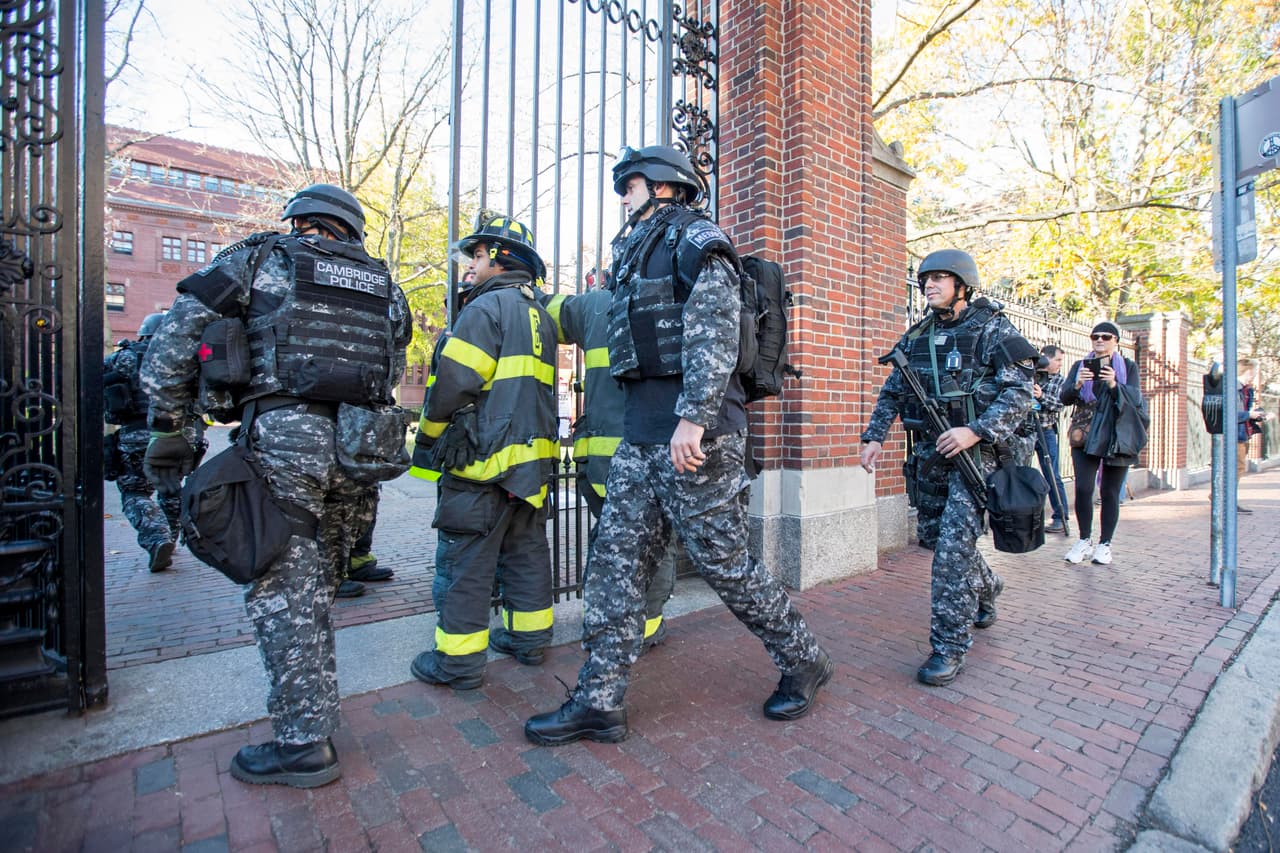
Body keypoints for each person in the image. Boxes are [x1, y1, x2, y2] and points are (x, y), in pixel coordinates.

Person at [524, 145, 831, 747]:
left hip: (699, 436)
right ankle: (599, 700)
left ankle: (804, 659)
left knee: (725, 564)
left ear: (663, 186)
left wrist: (692, 418)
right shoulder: (634, 253)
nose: (622, 196)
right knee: (614, 565)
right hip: (641, 437)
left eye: (630, 184)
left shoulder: (697, 240)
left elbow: (716, 331)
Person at [141, 183, 411, 788]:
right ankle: (311, 715)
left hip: (289, 438)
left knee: (287, 590)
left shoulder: (260, 258)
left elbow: (176, 340)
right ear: (352, 230)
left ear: (299, 222)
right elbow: (392, 364)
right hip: (361, 448)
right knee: (318, 587)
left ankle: (302, 744)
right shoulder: (385, 283)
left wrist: (169, 425)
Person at [859, 249, 1037, 687]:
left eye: (940, 278)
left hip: (978, 458)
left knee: (951, 556)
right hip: (931, 457)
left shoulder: (993, 329)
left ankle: (949, 648)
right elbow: (893, 391)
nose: (929, 285)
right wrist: (874, 437)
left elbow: (1020, 394)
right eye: (925, 280)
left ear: (962, 285)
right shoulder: (917, 335)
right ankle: (988, 587)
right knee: (940, 542)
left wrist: (975, 431)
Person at [407, 215, 558, 691]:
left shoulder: (485, 310)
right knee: (525, 552)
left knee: (466, 563)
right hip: (531, 467)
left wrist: (427, 440)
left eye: (476, 255)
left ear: (499, 256)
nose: (470, 266)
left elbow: (452, 386)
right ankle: (529, 641)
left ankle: (457, 663)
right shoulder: (541, 317)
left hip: (481, 464)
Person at [544, 275, 676, 650]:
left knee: (609, 545)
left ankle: (603, 621)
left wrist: (515, 284)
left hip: (602, 465)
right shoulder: (674, 297)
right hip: (657, 459)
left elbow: (545, 309)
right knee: (654, 546)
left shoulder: (593, 304)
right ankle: (646, 627)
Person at [102, 313, 205, 572]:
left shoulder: (123, 358)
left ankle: (157, 537)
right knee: (171, 487)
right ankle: (169, 536)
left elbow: (95, 382)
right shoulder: (185, 357)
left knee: (135, 491)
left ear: (143, 332)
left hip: (137, 433)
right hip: (183, 434)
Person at [1058, 321, 1142, 566]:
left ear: (1115, 341)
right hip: (1085, 432)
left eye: (1106, 337)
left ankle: (1105, 544)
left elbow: (1134, 399)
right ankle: (1084, 539)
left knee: (1110, 492)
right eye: (1095, 336)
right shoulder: (1080, 366)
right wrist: (1078, 384)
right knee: (1083, 488)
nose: (1100, 341)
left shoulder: (1128, 366)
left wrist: (1115, 384)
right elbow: (1064, 398)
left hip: (1116, 433)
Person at [1034, 345, 1069, 532]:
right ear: (1046, 359)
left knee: (1052, 474)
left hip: (1046, 430)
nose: (1060, 364)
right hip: (1026, 430)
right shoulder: (1029, 373)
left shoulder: (1060, 381)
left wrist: (1041, 396)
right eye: (1058, 360)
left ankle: (1060, 517)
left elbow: (1059, 404)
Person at [1235, 359, 1273, 513]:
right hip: (1234, 435)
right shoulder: (1233, 389)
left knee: (1238, 468)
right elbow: (1231, 414)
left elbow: (1245, 413)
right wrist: (1250, 414)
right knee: (1237, 468)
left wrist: (1258, 416)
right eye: (1255, 371)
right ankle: (1224, 498)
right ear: (1248, 371)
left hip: (1243, 433)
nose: (1256, 374)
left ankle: (1225, 498)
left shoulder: (1246, 390)